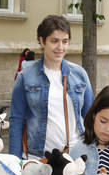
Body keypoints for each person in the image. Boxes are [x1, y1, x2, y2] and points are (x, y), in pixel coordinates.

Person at [9, 15, 94, 159]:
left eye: (65, 41)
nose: (60, 47)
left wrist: (94, 154)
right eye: (54, 41)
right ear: (42, 41)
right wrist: (14, 162)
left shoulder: (80, 74)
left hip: (75, 156)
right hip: (39, 158)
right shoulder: (26, 76)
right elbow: (16, 121)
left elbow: (91, 117)